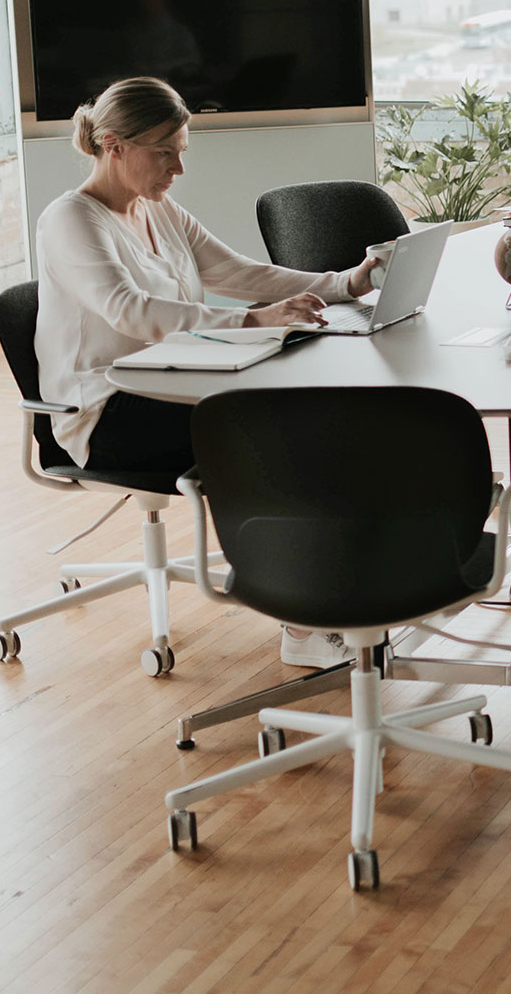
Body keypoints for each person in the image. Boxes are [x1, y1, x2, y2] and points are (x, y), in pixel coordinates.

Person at [33, 75, 380, 667]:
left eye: (181, 151)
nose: (178, 168)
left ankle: (347, 587)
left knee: (310, 414)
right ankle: (302, 621)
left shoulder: (157, 208)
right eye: (163, 152)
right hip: (108, 408)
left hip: (179, 380)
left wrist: (346, 283)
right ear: (113, 146)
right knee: (271, 434)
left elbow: (240, 273)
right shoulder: (71, 220)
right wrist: (255, 320)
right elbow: (130, 309)